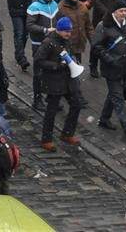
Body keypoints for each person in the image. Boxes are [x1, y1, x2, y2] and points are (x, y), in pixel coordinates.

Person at [91, 1, 126, 139]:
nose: (123, 14)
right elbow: (96, 46)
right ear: (114, 12)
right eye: (121, 11)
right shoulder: (104, 26)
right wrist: (109, 59)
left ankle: (104, 119)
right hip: (111, 68)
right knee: (118, 96)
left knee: (114, 94)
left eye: (125, 11)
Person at [34, 16, 82, 151]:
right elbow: (38, 60)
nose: (69, 34)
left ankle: (67, 133)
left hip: (68, 81)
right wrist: (56, 65)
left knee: (76, 105)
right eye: (66, 31)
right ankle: (46, 139)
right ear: (59, 30)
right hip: (54, 81)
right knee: (51, 111)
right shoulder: (48, 42)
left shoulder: (67, 41)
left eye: (70, 31)